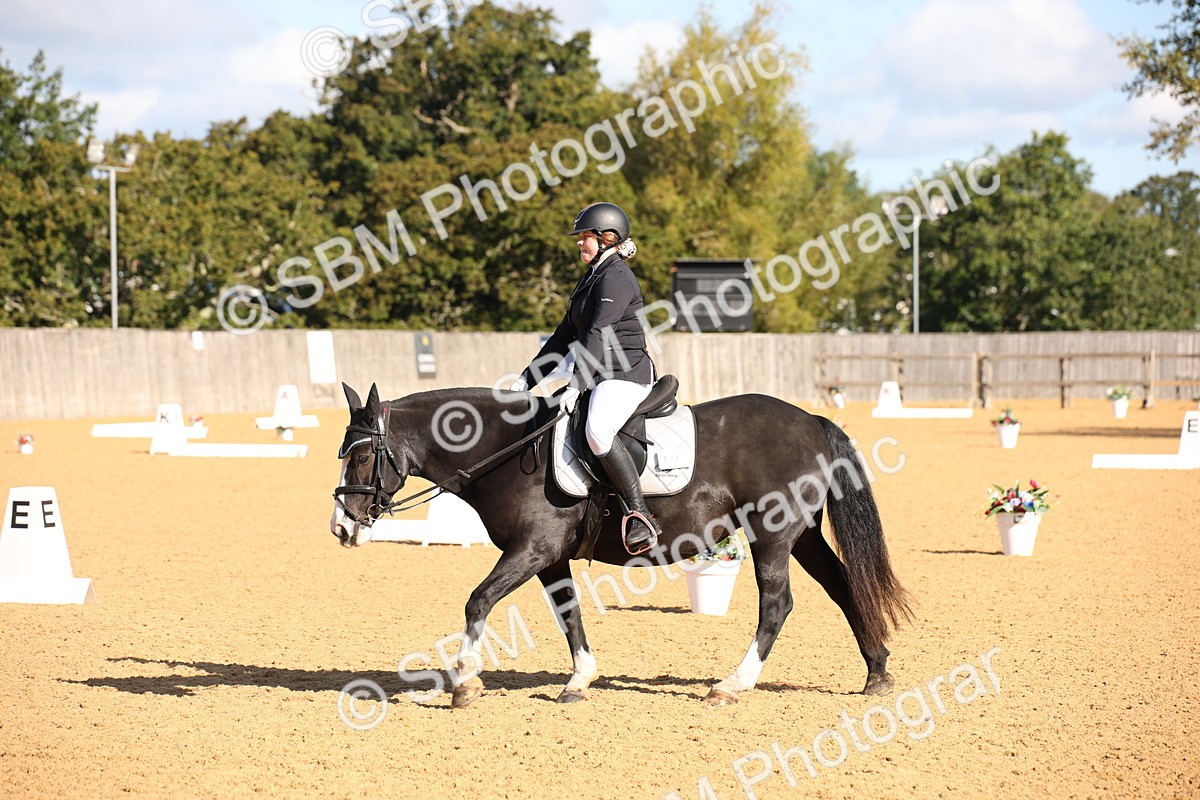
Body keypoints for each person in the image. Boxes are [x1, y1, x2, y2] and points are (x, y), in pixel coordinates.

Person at [510, 202, 661, 555]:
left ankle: (639, 513)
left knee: (596, 430)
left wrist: (576, 384)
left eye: (585, 237)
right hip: (599, 375)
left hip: (625, 375)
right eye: (580, 238)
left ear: (608, 238)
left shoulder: (617, 277)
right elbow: (564, 336)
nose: (579, 243)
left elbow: (598, 333)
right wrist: (526, 380)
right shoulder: (592, 276)